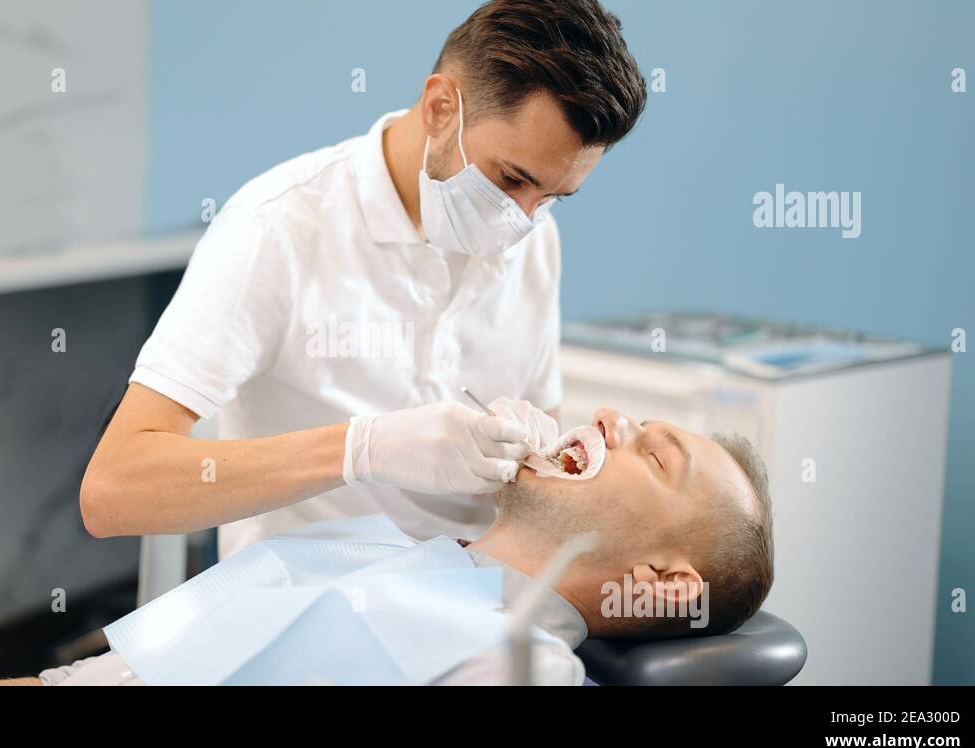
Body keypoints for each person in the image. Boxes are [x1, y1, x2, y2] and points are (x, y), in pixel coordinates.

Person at [79, 0, 649, 559]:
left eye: (552, 197)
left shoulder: (535, 238)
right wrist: (360, 449)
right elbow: (112, 491)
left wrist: (533, 455)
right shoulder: (277, 228)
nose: (520, 221)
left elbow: (540, 466)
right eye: (511, 179)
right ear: (440, 109)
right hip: (304, 598)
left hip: (470, 595)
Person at [0, 410, 774, 686]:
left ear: (661, 581)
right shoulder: (399, 552)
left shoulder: (513, 665)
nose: (609, 420)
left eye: (653, 452)